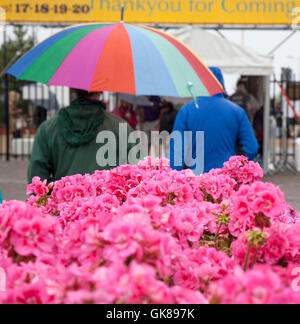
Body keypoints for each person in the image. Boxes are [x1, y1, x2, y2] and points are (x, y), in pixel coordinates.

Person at [28, 89, 133, 183]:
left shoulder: (47, 129)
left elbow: (37, 178)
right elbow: (137, 174)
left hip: (63, 202)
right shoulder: (120, 127)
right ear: (101, 90)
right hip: (109, 203)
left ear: (71, 89)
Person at [170, 67, 259, 175]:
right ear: (221, 83)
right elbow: (252, 148)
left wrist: (177, 182)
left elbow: (177, 155)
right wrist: (236, 168)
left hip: (195, 182)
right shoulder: (237, 111)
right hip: (226, 180)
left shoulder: (186, 111)